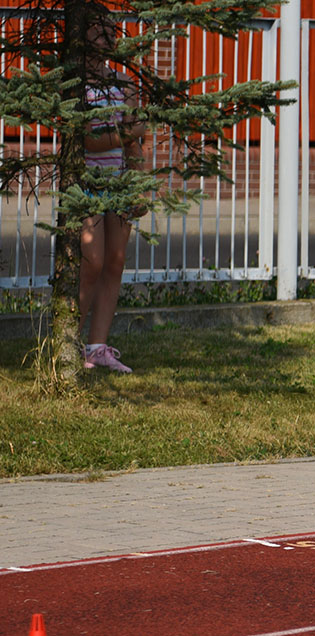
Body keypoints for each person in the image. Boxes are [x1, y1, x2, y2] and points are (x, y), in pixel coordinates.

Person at [79, 11, 146, 374]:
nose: (105, 37)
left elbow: (137, 139)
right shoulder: (75, 85)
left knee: (116, 261)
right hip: (86, 184)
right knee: (92, 262)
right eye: (97, 30)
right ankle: (67, 344)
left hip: (120, 183)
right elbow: (88, 139)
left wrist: (139, 186)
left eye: (110, 31)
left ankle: (97, 349)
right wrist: (126, 133)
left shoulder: (123, 82)